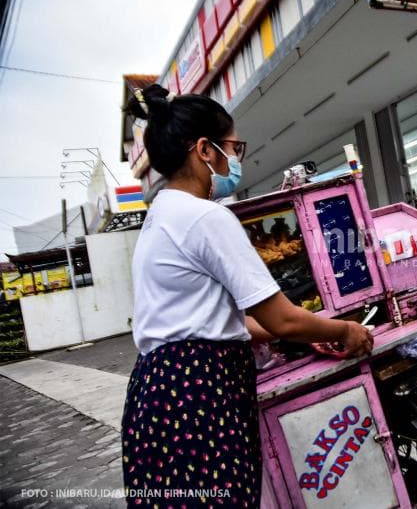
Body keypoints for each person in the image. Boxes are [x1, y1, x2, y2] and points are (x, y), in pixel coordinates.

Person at [122, 85, 373, 507]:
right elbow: (283, 319)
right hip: (198, 397)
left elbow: (211, 317)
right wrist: (345, 328)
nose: (236, 159)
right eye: (233, 147)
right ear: (204, 149)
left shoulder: (163, 214)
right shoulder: (204, 217)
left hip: (158, 395)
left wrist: (295, 334)